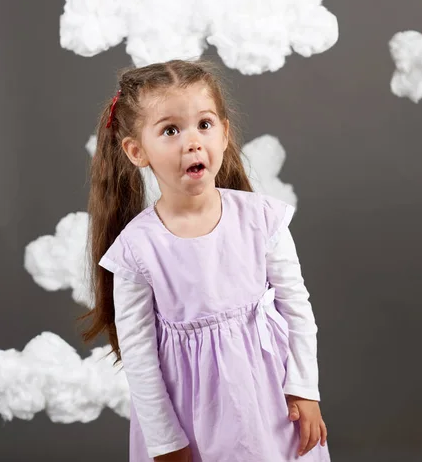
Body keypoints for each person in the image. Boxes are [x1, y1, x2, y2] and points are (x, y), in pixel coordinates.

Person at [81, 59, 330, 462]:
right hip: (191, 418)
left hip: (269, 405)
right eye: (170, 130)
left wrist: (304, 387)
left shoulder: (261, 218)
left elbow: (296, 307)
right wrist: (165, 442)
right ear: (137, 151)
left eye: (205, 124)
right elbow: (141, 358)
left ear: (225, 133)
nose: (193, 142)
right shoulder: (136, 251)